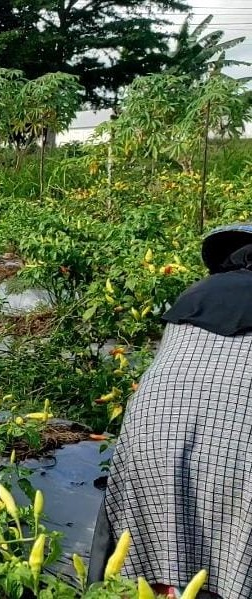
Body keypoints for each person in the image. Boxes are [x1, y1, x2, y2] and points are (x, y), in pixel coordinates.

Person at [89, 223, 252, 599]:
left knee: (151, 538)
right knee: (233, 543)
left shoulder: (194, 296)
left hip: (153, 435)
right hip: (239, 449)